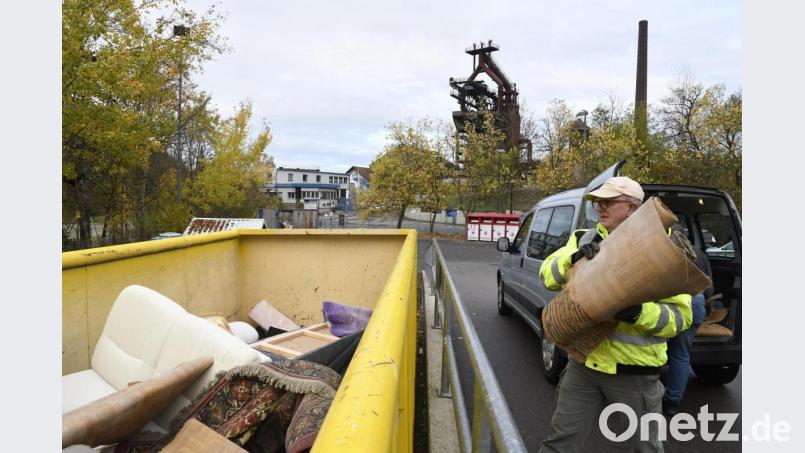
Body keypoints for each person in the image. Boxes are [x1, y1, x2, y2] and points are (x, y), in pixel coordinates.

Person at [538, 176, 692, 453]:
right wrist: (571, 261)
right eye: (597, 202)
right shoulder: (584, 238)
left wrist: (637, 313)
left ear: (632, 208)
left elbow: (681, 318)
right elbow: (546, 276)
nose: (599, 208)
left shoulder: (665, 251)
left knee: (645, 449)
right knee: (559, 444)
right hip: (584, 365)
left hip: (635, 374)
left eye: (608, 202)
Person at [661, 241, 713, 416]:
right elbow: (709, 287)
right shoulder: (699, 253)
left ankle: (647, 399)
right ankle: (672, 402)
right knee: (681, 355)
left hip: (667, 303)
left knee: (651, 349)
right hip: (696, 303)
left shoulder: (660, 249)